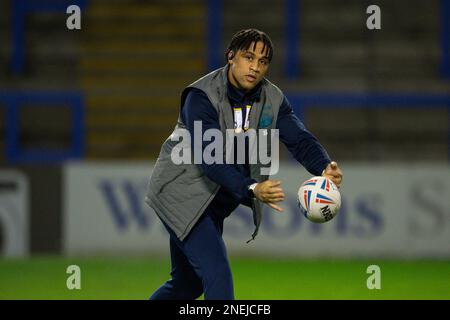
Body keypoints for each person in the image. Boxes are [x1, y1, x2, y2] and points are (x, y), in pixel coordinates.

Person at [146, 28, 343, 300]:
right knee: (218, 274)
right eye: (248, 57)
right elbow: (210, 160)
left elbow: (299, 139)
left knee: (187, 285)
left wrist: (324, 167)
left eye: (262, 61)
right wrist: (252, 188)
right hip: (181, 192)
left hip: (212, 201)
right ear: (230, 57)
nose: (255, 66)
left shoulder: (272, 99)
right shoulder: (201, 96)